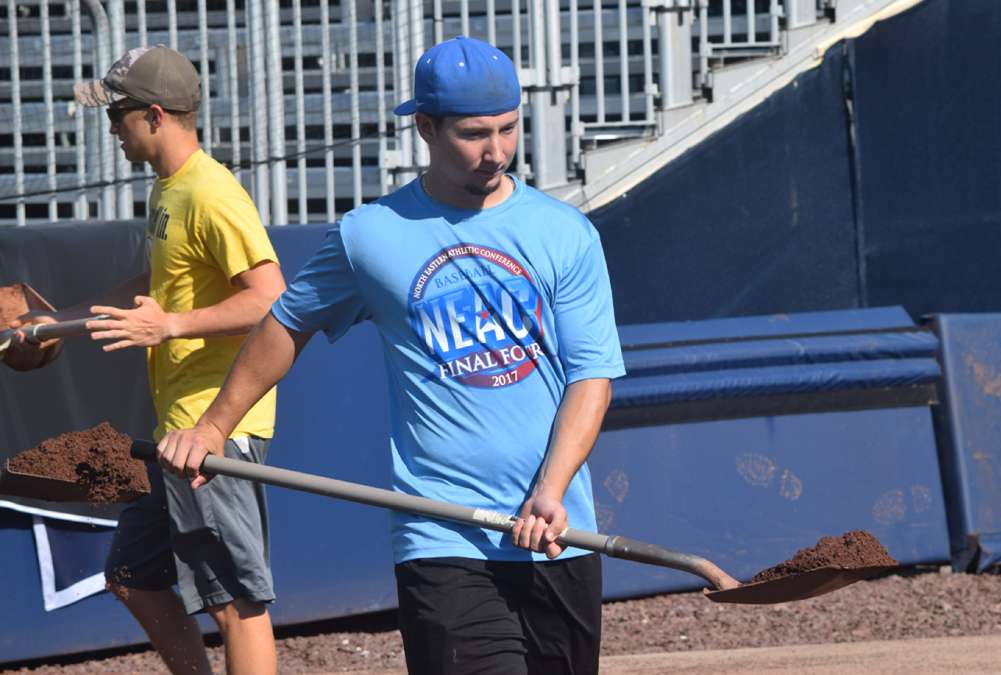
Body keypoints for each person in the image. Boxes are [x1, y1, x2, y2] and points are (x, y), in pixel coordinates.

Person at [157, 36, 625, 674]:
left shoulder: (565, 233)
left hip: (557, 534)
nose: (497, 151)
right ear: (426, 128)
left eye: (509, 129)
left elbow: (590, 375)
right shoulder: (368, 236)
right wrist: (214, 425)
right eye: (474, 133)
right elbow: (282, 326)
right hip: (442, 534)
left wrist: (552, 488)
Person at [7, 46, 284, 674]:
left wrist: (174, 325)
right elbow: (156, 285)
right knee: (133, 574)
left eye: (120, 113)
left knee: (236, 602)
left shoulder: (210, 193)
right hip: (176, 432)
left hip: (214, 428)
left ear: (155, 115)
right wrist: (59, 322)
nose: (112, 126)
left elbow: (270, 297)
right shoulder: (170, 190)